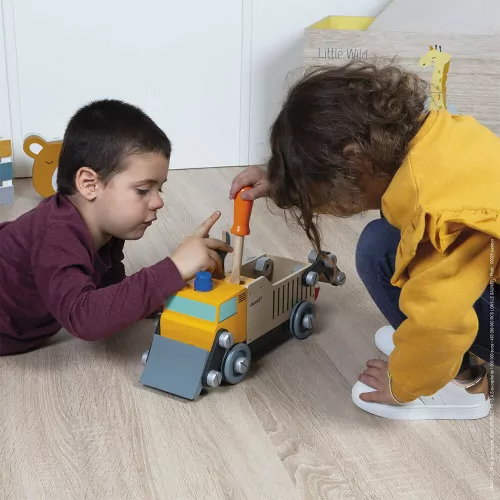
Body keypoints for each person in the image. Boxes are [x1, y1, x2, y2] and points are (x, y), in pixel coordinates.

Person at [229, 60, 500, 420]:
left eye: (320, 191)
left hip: (452, 316)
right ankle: (424, 351)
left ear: (354, 159)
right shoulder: (440, 137)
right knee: (386, 238)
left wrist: (404, 381)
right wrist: (286, 180)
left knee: (377, 251)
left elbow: (442, 322)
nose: (326, 205)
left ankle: (460, 382)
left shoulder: (435, 214)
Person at [0, 99, 232, 356]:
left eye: (160, 188)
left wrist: (177, 285)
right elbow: (85, 318)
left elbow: (112, 294)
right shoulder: (56, 236)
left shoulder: (106, 227)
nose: (158, 201)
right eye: (143, 190)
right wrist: (173, 268)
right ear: (89, 184)